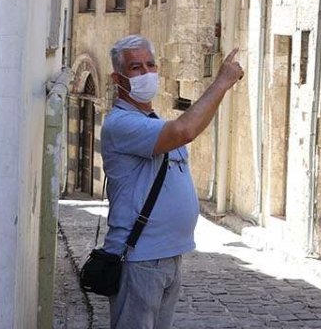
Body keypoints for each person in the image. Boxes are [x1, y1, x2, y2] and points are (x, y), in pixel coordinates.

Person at [100, 34, 244, 329]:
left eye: (150, 65)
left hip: (168, 256)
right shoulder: (121, 123)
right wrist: (221, 83)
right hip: (139, 257)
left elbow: (191, 127)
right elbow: (185, 131)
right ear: (118, 78)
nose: (146, 73)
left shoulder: (152, 121)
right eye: (136, 68)